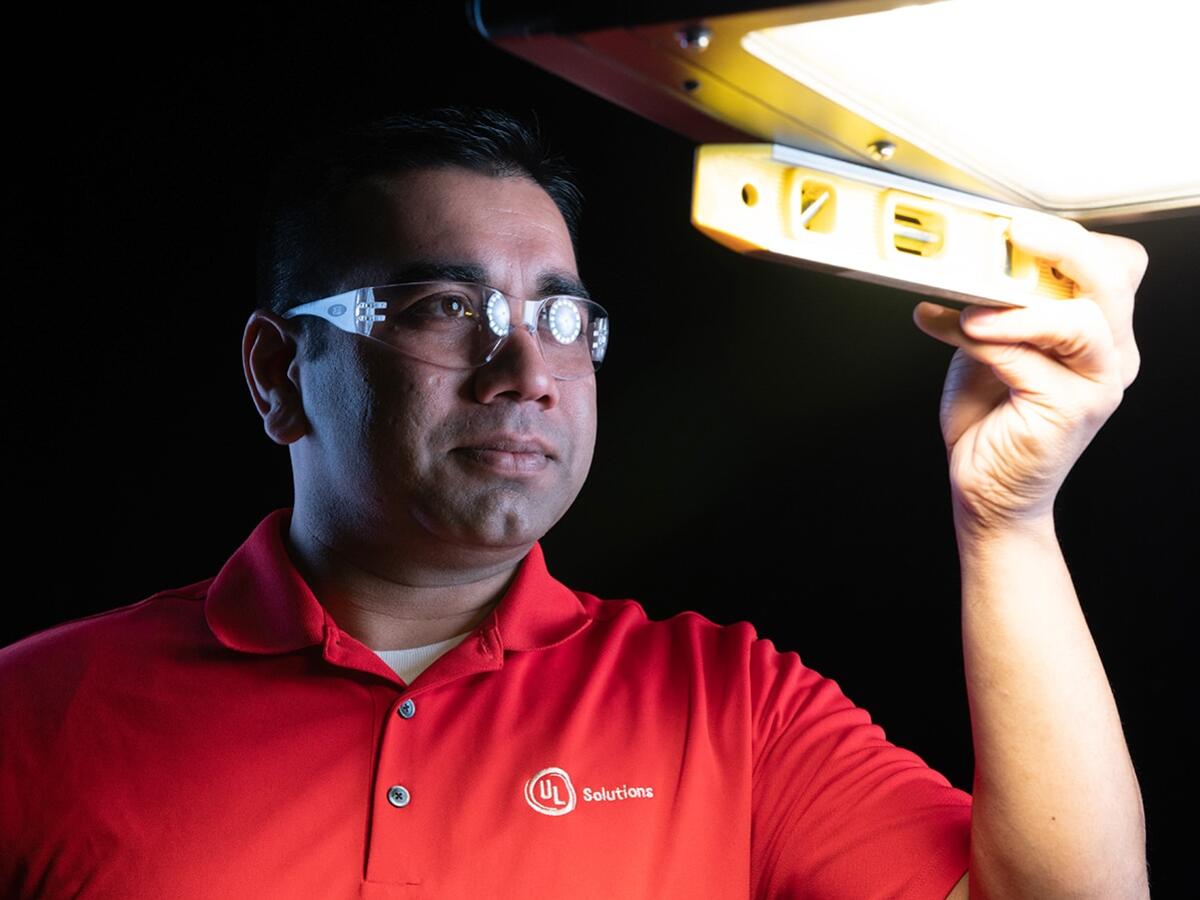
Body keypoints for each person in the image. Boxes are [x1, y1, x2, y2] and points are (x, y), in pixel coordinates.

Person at [0, 107, 1149, 899]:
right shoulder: (35, 714)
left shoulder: (728, 708)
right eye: (446, 305)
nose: (525, 368)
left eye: (559, 316)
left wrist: (1009, 521)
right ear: (278, 371)